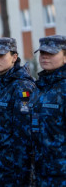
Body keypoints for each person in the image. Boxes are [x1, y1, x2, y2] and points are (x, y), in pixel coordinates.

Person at [0, 37, 36, 186]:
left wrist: (23, 174)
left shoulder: (22, 86)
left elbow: (25, 136)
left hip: (15, 170)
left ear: (14, 57)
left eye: (0, 55)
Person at [30, 35, 66, 186]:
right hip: (41, 171)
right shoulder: (39, 87)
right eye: (42, 53)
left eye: (51, 53)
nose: (45, 56)